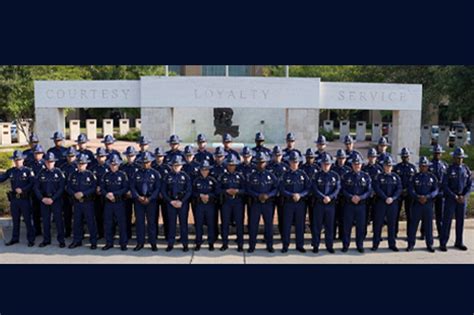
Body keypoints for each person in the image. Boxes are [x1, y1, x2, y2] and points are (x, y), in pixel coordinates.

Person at [0, 150, 36, 247]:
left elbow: (32, 183)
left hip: (24, 199)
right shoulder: (11, 171)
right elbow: (2, 178)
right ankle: (15, 238)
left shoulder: (28, 171)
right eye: (15, 160)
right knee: (15, 220)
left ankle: (31, 239)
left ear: (23, 159)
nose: (17, 161)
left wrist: (23, 190)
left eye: (19, 159)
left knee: (28, 220)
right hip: (14, 200)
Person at [440, 147, 472, 252]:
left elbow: (470, 185)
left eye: (461, 158)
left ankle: (459, 242)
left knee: (460, 222)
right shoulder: (449, 169)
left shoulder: (466, 169)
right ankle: (443, 242)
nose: (459, 159)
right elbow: (445, 185)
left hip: (462, 199)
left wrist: (464, 196)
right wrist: (454, 196)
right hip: (451, 198)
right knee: (447, 221)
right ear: (453, 158)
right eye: (457, 157)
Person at [246, 152, 278, 253]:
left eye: (262, 162)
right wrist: (257, 195)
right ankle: (252, 245)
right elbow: (248, 189)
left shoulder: (271, 175)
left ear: (266, 163)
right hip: (255, 203)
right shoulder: (252, 176)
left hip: (268, 204)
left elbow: (276, 189)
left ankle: (269, 245)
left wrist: (268, 195)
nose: (260, 164)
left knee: (268, 225)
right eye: (258, 162)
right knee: (253, 225)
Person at [280, 151, 311, 253]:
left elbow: (308, 188)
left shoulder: (303, 174)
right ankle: (285, 245)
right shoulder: (285, 174)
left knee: (300, 225)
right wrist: (291, 195)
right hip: (288, 203)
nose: (294, 163)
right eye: (292, 162)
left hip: (300, 204)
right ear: (289, 162)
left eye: (296, 162)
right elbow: (282, 188)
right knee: (287, 225)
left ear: (299, 162)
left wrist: (300, 195)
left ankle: (300, 245)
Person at [130, 152, 161, 252]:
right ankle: (140, 243)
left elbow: (158, 188)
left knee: (151, 223)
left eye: (147, 162)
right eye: (143, 162)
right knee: (140, 223)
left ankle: (153, 243)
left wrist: (150, 198)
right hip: (139, 201)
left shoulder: (155, 174)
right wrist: (138, 197)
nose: (145, 164)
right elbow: (132, 187)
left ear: (151, 162)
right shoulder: (136, 173)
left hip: (151, 201)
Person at [34, 152, 66, 248]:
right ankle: (46, 240)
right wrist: (42, 198)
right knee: (45, 221)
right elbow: (36, 188)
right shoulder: (41, 173)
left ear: (54, 162)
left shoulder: (59, 173)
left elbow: (61, 188)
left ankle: (61, 241)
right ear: (45, 162)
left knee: (58, 221)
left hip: (55, 200)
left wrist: (53, 198)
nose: (49, 163)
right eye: (47, 162)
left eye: (51, 162)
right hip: (44, 200)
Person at [407, 156, 438, 253]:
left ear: (427, 166)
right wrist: (418, 197)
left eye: (425, 166)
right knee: (413, 225)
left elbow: (436, 190)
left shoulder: (432, 177)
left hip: (428, 204)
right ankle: (411, 244)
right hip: (417, 204)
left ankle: (429, 244)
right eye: (421, 165)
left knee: (429, 225)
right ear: (419, 166)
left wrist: (428, 197)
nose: (423, 167)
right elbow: (410, 189)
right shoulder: (414, 177)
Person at [341, 155, 372, 253]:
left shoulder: (366, 176)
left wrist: (360, 197)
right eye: (355, 164)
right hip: (349, 204)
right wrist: (351, 197)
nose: (357, 166)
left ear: (361, 164)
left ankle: (360, 245)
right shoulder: (347, 176)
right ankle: (345, 245)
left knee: (361, 226)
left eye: (358, 164)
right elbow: (343, 189)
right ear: (352, 165)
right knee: (347, 226)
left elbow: (369, 190)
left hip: (361, 205)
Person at [67, 154, 98, 250]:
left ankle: (93, 242)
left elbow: (94, 187)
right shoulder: (73, 175)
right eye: (79, 164)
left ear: (86, 164)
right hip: (77, 202)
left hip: (88, 202)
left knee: (90, 222)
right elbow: (68, 187)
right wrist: (74, 193)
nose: (80, 165)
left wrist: (83, 193)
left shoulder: (90, 174)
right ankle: (77, 240)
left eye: (83, 164)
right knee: (77, 222)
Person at [161, 155, 192, 252]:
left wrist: (181, 201)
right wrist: (170, 201)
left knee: (183, 225)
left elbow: (189, 191)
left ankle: (185, 244)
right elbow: (163, 191)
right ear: (171, 166)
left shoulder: (185, 176)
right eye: (174, 165)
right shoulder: (167, 177)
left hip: (182, 204)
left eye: (178, 165)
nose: (176, 167)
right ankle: (170, 243)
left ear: (181, 166)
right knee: (172, 224)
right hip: (171, 203)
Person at [311, 153, 340, 253]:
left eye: (327, 164)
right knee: (317, 226)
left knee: (330, 226)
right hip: (319, 203)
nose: (326, 165)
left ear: (331, 164)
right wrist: (323, 197)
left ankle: (329, 246)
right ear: (321, 164)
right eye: (324, 164)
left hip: (330, 204)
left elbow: (337, 189)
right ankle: (315, 245)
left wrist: (330, 197)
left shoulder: (335, 176)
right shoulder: (316, 175)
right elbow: (314, 188)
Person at [372, 156, 402, 252]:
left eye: (389, 165)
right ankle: (375, 244)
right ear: (383, 166)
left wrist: (392, 198)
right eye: (386, 165)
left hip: (392, 203)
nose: (388, 167)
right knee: (378, 224)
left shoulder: (396, 177)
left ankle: (392, 244)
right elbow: (377, 188)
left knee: (392, 224)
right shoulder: (379, 177)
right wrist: (385, 198)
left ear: (392, 167)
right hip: (381, 203)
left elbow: (399, 189)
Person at [101, 155, 129, 251]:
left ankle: (123, 243)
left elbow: (125, 188)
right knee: (108, 223)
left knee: (122, 224)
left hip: (119, 202)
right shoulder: (105, 175)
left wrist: (114, 194)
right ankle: (109, 243)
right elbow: (102, 188)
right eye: (112, 165)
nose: (113, 166)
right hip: (108, 203)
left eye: (115, 164)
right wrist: (107, 194)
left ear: (118, 165)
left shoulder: (122, 175)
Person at [218, 154, 246, 252]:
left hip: (238, 203)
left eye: (233, 164)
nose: (231, 166)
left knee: (239, 224)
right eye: (229, 164)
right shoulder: (222, 176)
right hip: (226, 203)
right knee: (225, 224)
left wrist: (237, 191)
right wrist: (226, 191)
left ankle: (240, 244)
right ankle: (225, 244)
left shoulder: (240, 176)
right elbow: (218, 189)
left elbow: (245, 189)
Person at [192, 160, 218, 251]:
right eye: (202, 169)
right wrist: (200, 195)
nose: (204, 171)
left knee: (211, 224)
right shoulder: (196, 180)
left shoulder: (213, 180)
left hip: (210, 205)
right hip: (199, 205)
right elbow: (193, 192)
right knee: (199, 224)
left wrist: (209, 196)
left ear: (209, 170)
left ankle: (211, 243)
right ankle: (198, 242)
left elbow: (217, 192)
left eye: (206, 169)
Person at [393, 147, 417, 238]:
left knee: (410, 215)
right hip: (398, 194)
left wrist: (408, 190)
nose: (405, 158)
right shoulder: (396, 167)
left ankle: (409, 234)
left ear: (409, 156)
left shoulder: (412, 168)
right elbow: (394, 181)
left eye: (406, 156)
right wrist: (400, 190)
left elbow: (414, 181)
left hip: (409, 194)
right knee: (396, 214)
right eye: (403, 156)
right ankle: (394, 233)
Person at [267, 145, 288, 236]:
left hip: (282, 195)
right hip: (271, 195)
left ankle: (283, 234)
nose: (277, 157)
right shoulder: (268, 167)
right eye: (275, 155)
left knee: (282, 216)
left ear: (282, 156)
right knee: (269, 217)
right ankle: (268, 235)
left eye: (279, 155)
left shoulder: (286, 167)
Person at [120, 146, 140, 240]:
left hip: (136, 195)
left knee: (138, 216)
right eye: (128, 156)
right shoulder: (123, 167)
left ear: (135, 156)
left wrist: (134, 192)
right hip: (126, 195)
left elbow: (140, 182)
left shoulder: (139, 167)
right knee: (126, 216)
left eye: (132, 155)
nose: (130, 157)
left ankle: (139, 236)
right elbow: (122, 182)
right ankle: (128, 235)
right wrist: (126, 191)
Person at [362, 148, 383, 237]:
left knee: (377, 216)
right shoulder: (364, 168)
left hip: (376, 195)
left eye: (373, 157)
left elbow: (381, 182)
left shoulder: (379, 169)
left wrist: (376, 192)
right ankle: (363, 233)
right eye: (370, 157)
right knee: (365, 216)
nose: (372, 158)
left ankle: (376, 234)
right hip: (366, 196)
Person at [151, 147, 171, 241]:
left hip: (165, 196)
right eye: (157, 156)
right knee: (154, 217)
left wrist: (164, 193)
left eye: (160, 156)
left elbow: (169, 183)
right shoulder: (152, 167)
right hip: (154, 196)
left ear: (163, 157)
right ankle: (154, 236)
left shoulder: (167, 168)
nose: (159, 158)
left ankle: (168, 236)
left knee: (167, 216)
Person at [331, 149, 351, 240]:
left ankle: (342, 236)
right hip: (335, 197)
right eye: (339, 158)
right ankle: (333, 235)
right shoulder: (333, 169)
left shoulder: (348, 170)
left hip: (345, 197)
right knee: (333, 218)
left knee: (343, 218)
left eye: (343, 158)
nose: (341, 160)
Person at [428, 144, 448, 238]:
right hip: (431, 192)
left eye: (439, 153)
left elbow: (447, 179)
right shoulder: (429, 164)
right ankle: (425, 232)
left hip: (441, 193)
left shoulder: (444, 165)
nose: (437, 154)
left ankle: (440, 232)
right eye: (435, 153)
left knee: (440, 214)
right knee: (428, 214)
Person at [91, 147, 110, 239]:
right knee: (98, 215)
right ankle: (100, 233)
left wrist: (102, 189)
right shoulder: (93, 168)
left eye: (102, 156)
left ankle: (109, 234)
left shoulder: (109, 167)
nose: (100, 158)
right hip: (96, 195)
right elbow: (90, 181)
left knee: (108, 216)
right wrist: (95, 188)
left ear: (105, 157)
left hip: (106, 195)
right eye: (98, 156)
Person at [61, 146, 78, 238]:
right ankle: (67, 231)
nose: (70, 158)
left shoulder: (78, 166)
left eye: (72, 156)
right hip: (66, 194)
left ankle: (79, 232)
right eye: (69, 156)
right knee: (67, 214)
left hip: (76, 194)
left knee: (78, 215)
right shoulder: (63, 167)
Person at [30, 144, 46, 236]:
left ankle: (46, 230)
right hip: (34, 192)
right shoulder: (30, 165)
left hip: (44, 192)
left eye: (39, 153)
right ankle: (37, 230)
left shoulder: (46, 163)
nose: (37, 155)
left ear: (42, 153)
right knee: (35, 212)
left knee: (45, 213)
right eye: (36, 153)